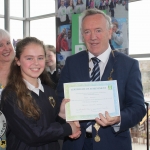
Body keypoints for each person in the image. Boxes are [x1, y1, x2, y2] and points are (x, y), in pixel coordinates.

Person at [57, 8, 146, 150]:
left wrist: (119, 118)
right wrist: (64, 114)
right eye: (87, 32)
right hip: (76, 144)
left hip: (113, 144)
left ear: (109, 32)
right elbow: (59, 101)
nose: (93, 37)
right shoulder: (72, 63)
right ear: (82, 35)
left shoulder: (128, 65)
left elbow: (139, 108)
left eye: (98, 30)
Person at [1, 37, 81, 150]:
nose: (36, 63)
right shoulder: (10, 94)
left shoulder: (49, 91)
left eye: (40, 58)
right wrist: (68, 128)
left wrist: (61, 116)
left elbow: (49, 125)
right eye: (29, 58)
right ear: (17, 61)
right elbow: (33, 135)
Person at [0, 29, 15, 150]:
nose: (6, 48)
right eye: (0, 45)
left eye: (8, 43)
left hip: (21, 134)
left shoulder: (23, 71)